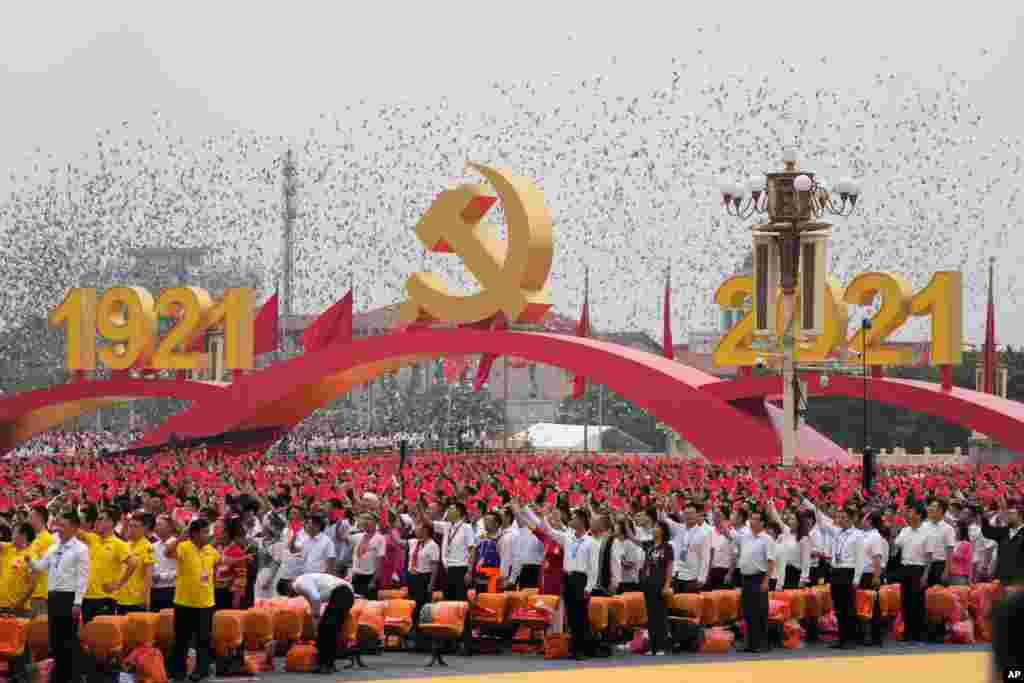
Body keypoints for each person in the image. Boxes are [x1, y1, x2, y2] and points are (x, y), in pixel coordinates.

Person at [26, 511, 89, 683]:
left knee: (69, 638)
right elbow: (40, 568)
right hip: (53, 597)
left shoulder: (81, 549)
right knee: (55, 639)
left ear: (75, 528)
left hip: (69, 598)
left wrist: (78, 602)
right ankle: (59, 675)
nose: (58, 529)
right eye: (58, 525)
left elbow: (82, 578)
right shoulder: (54, 547)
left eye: (63, 525)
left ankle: (74, 676)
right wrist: (29, 561)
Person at [166, 518, 219, 682]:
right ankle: (178, 672)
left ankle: (201, 671)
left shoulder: (211, 550)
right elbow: (167, 552)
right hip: (184, 602)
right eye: (204, 532)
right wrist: (182, 536)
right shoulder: (183, 547)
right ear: (194, 534)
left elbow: (218, 563)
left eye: (208, 531)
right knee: (181, 638)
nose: (207, 535)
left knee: (204, 639)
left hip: (206, 603)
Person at [805, 499, 862, 650]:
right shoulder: (837, 532)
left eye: (844, 518)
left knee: (848, 607)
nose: (840, 520)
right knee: (838, 607)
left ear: (851, 519)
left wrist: (856, 578)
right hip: (836, 571)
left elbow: (860, 558)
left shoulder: (857, 535)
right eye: (839, 517)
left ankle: (850, 639)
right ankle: (841, 638)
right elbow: (822, 521)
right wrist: (816, 507)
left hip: (848, 571)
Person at [718, 507, 774, 653]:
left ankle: (762, 643)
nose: (752, 522)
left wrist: (766, 581)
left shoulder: (767, 539)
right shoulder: (745, 536)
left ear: (762, 523)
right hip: (746, 578)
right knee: (748, 612)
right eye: (752, 519)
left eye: (756, 519)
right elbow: (729, 534)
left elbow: (770, 562)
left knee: (760, 612)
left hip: (759, 577)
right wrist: (722, 521)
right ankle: (750, 643)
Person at [289, 573, 355, 674]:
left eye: (289, 594)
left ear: (288, 587)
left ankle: (328, 665)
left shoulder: (299, 584)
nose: (291, 596)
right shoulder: (305, 584)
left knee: (329, 629)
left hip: (343, 593)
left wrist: (316, 618)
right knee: (324, 630)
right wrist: (316, 625)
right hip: (340, 595)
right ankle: (322, 663)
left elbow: (316, 598)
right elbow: (314, 605)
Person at [893, 503, 931, 644]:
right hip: (905, 568)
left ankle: (918, 635)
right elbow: (895, 546)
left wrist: (925, 575)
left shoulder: (926, 533)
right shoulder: (905, 530)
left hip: (919, 569)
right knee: (906, 602)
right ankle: (908, 633)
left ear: (919, 515)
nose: (909, 514)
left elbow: (929, 557)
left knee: (917, 603)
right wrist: (894, 530)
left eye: (911, 511)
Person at [641, 521, 674, 656]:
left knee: (660, 615)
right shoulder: (649, 546)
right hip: (648, 583)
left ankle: (662, 646)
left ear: (662, 531)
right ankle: (653, 646)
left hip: (660, 584)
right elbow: (633, 539)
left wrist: (667, 585)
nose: (654, 529)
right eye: (653, 527)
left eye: (657, 527)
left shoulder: (667, 547)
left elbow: (669, 567)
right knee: (651, 616)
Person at [979, 497, 1023, 589]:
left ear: (1020, 516)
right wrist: (984, 519)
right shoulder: (1004, 531)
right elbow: (988, 532)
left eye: (1011, 514)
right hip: (1000, 577)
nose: (1007, 516)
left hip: (1018, 581)